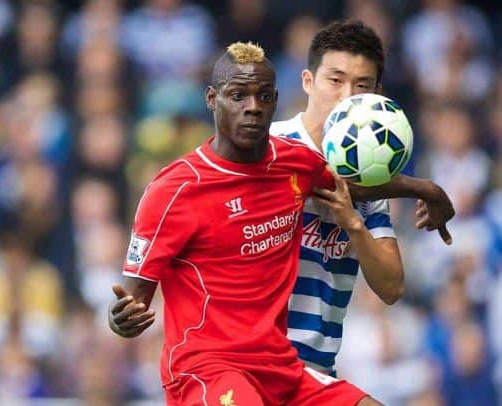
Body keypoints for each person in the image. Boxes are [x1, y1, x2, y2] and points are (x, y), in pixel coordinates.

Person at [108, 41, 385, 405]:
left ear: (274, 100)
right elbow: (131, 300)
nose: (252, 108)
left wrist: (427, 191)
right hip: (207, 370)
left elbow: (352, 183)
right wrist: (121, 320)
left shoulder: (295, 163)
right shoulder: (174, 191)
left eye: (263, 96)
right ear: (212, 98)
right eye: (238, 95)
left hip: (280, 369)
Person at [269, 20, 454, 375]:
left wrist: (353, 225)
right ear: (308, 81)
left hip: (320, 368)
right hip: (265, 360)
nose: (346, 97)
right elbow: (321, 174)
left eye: (361, 86)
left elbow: (391, 287)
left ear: (376, 97)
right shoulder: (273, 146)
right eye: (335, 81)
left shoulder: (373, 172)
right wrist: (424, 188)